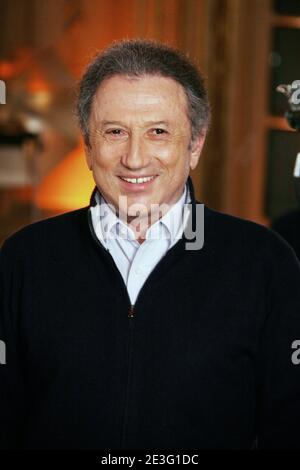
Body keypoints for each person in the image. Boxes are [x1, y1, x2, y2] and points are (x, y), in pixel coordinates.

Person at [1, 39, 300, 450]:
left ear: (195, 144)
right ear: (88, 146)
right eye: (115, 132)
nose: (135, 158)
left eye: (158, 132)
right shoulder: (22, 261)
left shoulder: (266, 264)